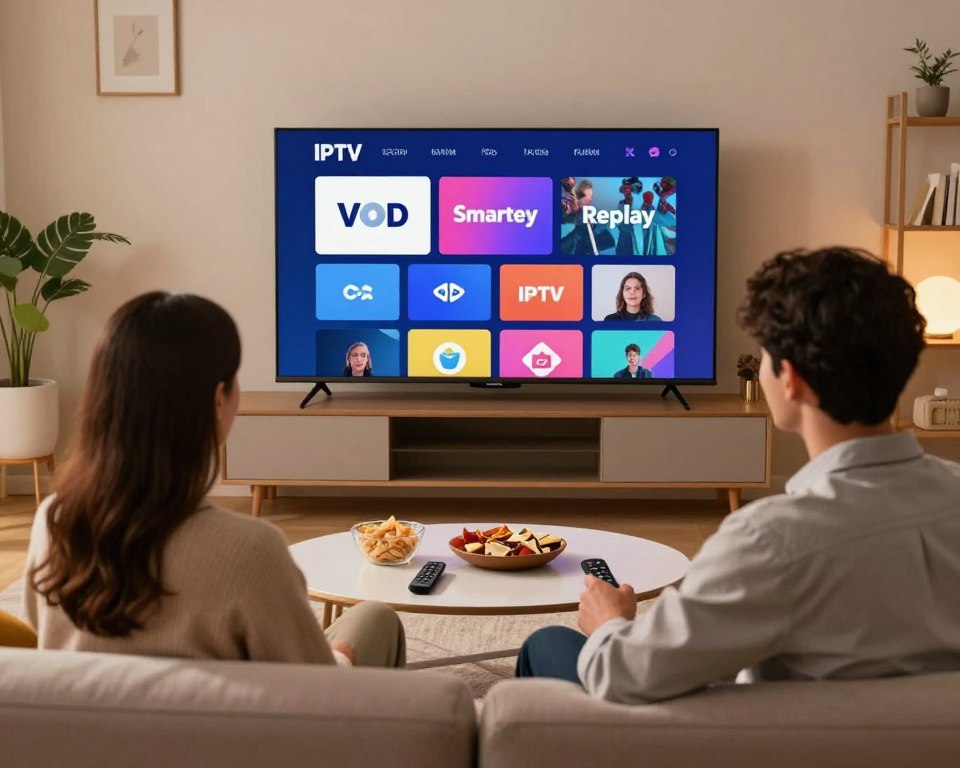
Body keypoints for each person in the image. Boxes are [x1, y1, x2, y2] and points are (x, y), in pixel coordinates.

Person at [517, 246, 960, 702]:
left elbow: (624, 675)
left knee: (546, 644)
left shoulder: (771, 541)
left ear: (790, 379)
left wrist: (610, 622)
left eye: (763, 354)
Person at [23, 292, 404, 667]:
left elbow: (43, 650)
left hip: (87, 724)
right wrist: (342, 660)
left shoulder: (54, 521)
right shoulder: (251, 549)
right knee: (375, 619)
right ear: (218, 398)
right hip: (240, 727)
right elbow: (313, 685)